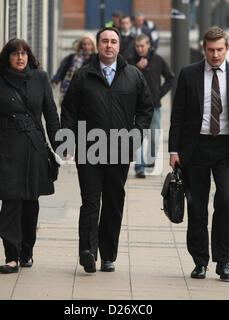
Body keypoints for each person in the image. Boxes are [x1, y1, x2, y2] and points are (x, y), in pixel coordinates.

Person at [61, 27, 154, 273]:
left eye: (113, 41)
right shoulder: (83, 76)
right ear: (98, 45)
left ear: (119, 45)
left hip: (120, 149)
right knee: (90, 201)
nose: (109, 46)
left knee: (113, 201)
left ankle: (108, 255)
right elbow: (68, 110)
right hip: (89, 148)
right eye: (104, 41)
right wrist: (67, 141)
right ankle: (88, 252)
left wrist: (136, 135)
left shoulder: (133, 75)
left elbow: (146, 108)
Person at [0, 39, 60, 274]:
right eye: (15, 54)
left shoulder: (41, 78)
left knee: (30, 203)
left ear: (29, 56)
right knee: (11, 201)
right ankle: (11, 256)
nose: (20, 57)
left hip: (34, 148)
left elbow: (51, 114)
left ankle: (26, 251)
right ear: (7, 57)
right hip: (6, 150)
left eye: (24, 53)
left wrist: (60, 145)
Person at [168, 26, 229, 280]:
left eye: (219, 49)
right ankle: (200, 261)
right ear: (203, 49)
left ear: (227, 48)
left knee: (227, 202)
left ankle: (223, 261)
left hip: (227, 149)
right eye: (210, 50)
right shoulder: (189, 74)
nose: (215, 55)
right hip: (196, 148)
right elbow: (178, 115)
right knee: (197, 207)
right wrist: (173, 150)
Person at [128, 34, 175, 178]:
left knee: (154, 136)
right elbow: (125, 78)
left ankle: (150, 159)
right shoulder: (130, 60)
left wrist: (159, 94)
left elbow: (170, 78)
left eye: (142, 46)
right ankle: (140, 167)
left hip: (154, 105)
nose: (140, 49)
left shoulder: (157, 60)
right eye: (137, 46)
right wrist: (137, 68)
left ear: (148, 45)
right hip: (135, 105)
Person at [51, 33, 96, 105]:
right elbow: (62, 69)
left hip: (87, 92)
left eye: (89, 44)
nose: (86, 46)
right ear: (81, 45)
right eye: (84, 44)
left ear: (92, 45)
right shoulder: (72, 57)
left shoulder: (96, 59)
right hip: (69, 90)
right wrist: (55, 80)